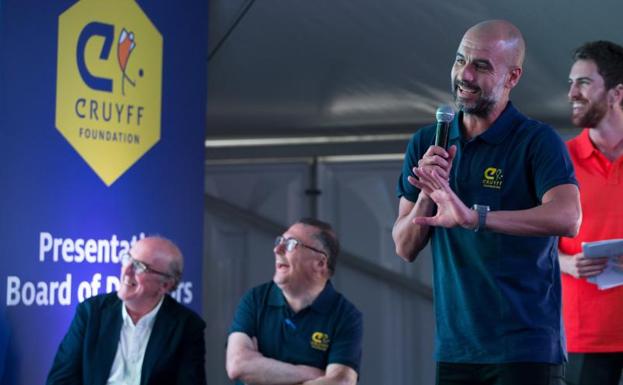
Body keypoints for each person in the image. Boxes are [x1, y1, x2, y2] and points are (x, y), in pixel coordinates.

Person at [392, 20, 582, 385]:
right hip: (456, 350)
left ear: (512, 77)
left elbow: (568, 216)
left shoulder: (536, 140)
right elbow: (403, 247)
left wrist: (475, 218)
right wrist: (429, 194)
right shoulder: (426, 142)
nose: (465, 75)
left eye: (481, 66)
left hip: (526, 349)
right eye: (460, 60)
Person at [46, 236, 207, 385]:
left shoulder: (187, 326)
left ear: (165, 285)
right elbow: (60, 381)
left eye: (139, 266)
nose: (126, 271)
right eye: (127, 259)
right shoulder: (91, 312)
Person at [226, 218, 362, 385]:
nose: (277, 249)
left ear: (320, 263)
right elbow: (237, 365)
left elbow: (341, 382)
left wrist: (262, 371)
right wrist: (313, 374)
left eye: (291, 243)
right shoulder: (255, 299)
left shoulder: (345, 315)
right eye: (279, 241)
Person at [558, 40, 623, 385]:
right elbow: (526, 242)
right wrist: (565, 263)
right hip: (584, 335)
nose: (572, 92)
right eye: (571, 83)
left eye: (583, 82)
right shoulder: (559, 160)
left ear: (616, 94)